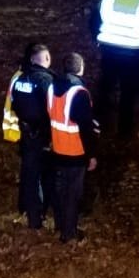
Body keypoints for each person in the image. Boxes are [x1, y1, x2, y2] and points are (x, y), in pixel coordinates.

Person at [92, 0, 139, 142]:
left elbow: (93, 22)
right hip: (132, 55)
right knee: (128, 94)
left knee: (105, 88)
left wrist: (97, 41)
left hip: (109, 52)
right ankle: (124, 132)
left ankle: (98, 124)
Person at [48, 52, 100, 243]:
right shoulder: (79, 93)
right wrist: (91, 155)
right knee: (73, 194)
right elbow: (85, 127)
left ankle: (60, 225)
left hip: (57, 148)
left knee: (60, 190)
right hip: (75, 151)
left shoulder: (52, 87)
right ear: (80, 68)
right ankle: (69, 234)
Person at [9, 44, 56, 230]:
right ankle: (39, 216)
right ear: (46, 59)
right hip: (43, 135)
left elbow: (14, 105)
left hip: (25, 133)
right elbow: (53, 109)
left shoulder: (19, 79)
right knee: (44, 175)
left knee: (29, 175)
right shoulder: (46, 81)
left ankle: (30, 214)